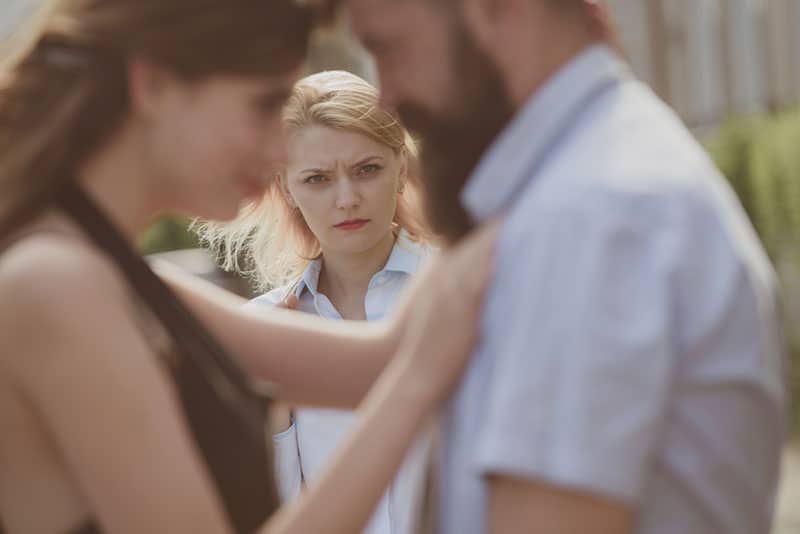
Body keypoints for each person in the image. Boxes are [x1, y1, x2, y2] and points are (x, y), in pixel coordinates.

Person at [0, 2, 496, 534]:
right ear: (155, 86)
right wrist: (416, 387)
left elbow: (380, 363)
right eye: (264, 106)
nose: (279, 149)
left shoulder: (117, 279)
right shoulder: (56, 288)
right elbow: (409, 371)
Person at [341, 0, 787, 533]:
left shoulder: (588, 218)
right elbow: (383, 359)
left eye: (387, 49)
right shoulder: (586, 179)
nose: (386, 99)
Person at [198, 70, 434, 534]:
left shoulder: (463, 296)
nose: (347, 198)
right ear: (286, 187)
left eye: (367, 169)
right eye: (318, 179)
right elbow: (268, 515)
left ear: (401, 168)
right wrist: (276, 422)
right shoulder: (262, 329)